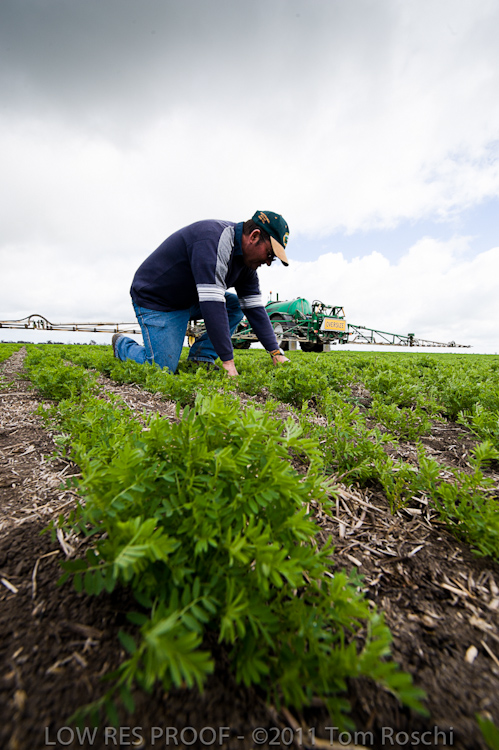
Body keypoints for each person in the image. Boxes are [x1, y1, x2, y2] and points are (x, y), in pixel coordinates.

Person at [112, 210, 291, 376]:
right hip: (159, 300)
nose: (269, 262)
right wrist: (228, 361)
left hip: (190, 299)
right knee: (161, 369)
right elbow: (212, 304)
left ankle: (201, 357)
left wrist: (276, 352)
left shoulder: (247, 265)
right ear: (254, 236)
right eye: (269, 254)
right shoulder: (213, 240)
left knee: (235, 305)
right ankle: (122, 345)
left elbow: (254, 309)